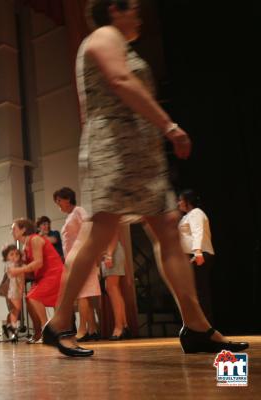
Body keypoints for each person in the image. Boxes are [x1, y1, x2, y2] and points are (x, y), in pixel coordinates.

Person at [42, 0, 248, 357]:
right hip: (114, 150)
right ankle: (59, 321)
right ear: (113, 10)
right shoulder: (103, 35)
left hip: (140, 154)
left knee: (168, 228)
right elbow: (120, 80)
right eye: (132, 7)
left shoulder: (122, 43)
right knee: (99, 232)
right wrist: (168, 125)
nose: (139, 13)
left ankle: (197, 326)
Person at [54, 188, 101, 342]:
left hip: (82, 258)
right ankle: (92, 329)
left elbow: (89, 227)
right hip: (75, 260)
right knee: (84, 294)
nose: (58, 204)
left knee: (83, 294)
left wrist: (85, 251)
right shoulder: (71, 215)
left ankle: (82, 330)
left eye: (59, 200)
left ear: (67, 199)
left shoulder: (78, 211)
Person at [8, 218, 64, 343]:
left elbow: (38, 263)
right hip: (44, 275)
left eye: (14, 229)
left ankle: (48, 330)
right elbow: (30, 271)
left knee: (33, 297)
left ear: (23, 230)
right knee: (31, 298)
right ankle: (48, 331)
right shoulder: (26, 246)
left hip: (53, 273)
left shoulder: (35, 239)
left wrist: (19, 270)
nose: (12, 232)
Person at [178, 189, 215, 323]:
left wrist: (198, 252)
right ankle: (198, 325)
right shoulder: (187, 216)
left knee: (201, 292)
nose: (179, 203)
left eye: (181, 200)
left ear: (188, 201)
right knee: (194, 292)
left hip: (199, 254)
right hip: (193, 255)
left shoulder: (196, 213)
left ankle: (206, 325)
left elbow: (197, 231)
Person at [101, 229, 129, 340]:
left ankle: (119, 328)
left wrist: (109, 255)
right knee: (114, 289)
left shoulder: (104, 215)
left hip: (111, 252)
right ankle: (124, 325)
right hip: (110, 252)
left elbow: (113, 234)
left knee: (112, 288)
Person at [0, 244, 25, 340]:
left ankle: (8, 326)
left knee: (14, 310)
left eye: (17, 254)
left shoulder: (15, 265)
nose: (15, 257)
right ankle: (13, 329)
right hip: (13, 290)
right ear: (6, 257)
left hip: (15, 290)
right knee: (16, 310)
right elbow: (16, 274)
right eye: (11, 254)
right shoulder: (10, 265)